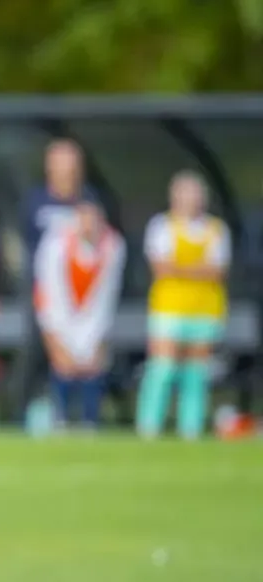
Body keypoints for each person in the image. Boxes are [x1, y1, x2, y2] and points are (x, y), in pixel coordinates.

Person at [138, 171, 230, 440]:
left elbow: (218, 271)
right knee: (163, 367)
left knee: (195, 373)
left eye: (195, 193)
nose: (191, 199)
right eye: (185, 193)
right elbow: (161, 267)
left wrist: (181, 269)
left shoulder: (216, 229)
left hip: (205, 309)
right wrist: (198, 270)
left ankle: (190, 429)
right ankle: (149, 426)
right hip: (169, 308)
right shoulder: (162, 226)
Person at [35, 196, 124, 431]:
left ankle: (90, 421)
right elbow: (48, 293)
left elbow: (107, 297)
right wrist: (55, 338)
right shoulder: (55, 245)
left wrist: (98, 339)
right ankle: (60, 419)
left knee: (92, 366)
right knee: (63, 367)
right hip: (61, 319)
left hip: (92, 323)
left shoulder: (113, 247)